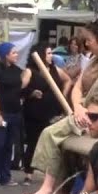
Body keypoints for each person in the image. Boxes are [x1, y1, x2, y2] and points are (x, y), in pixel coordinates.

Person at [22, 18, 98, 194]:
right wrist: (78, 108)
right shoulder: (93, 62)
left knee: (55, 135)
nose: (87, 44)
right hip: (84, 114)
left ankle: (53, 192)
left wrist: (94, 115)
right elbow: (77, 88)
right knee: (54, 137)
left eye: (90, 40)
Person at [19, 42, 68, 186]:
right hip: (35, 112)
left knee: (53, 144)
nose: (51, 56)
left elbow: (68, 80)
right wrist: (31, 92)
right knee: (34, 142)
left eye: (51, 53)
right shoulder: (30, 71)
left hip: (53, 111)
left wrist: (62, 96)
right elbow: (20, 90)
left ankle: (51, 176)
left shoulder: (55, 70)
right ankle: (29, 173)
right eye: (48, 53)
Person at [0, 41, 25, 187]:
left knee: (9, 145)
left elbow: (20, 89)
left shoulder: (17, 70)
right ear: (5, 55)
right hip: (1, 112)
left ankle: (6, 176)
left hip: (15, 112)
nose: (16, 55)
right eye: (13, 52)